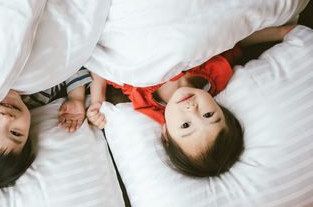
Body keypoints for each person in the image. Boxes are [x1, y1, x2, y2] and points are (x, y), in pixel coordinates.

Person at [87, 25, 295, 177]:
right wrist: (279, 33)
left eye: (186, 125)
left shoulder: (142, 97)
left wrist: (97, 101)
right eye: (208, 115)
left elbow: (104, 69)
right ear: (222, 110)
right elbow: (238, 37)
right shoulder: (217, 70)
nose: (192, 109)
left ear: (166, 133)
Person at [0, 67, 91, 188]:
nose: (6, 118)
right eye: (15, 133)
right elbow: (72, 65)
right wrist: (76, 97)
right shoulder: (40, 94)